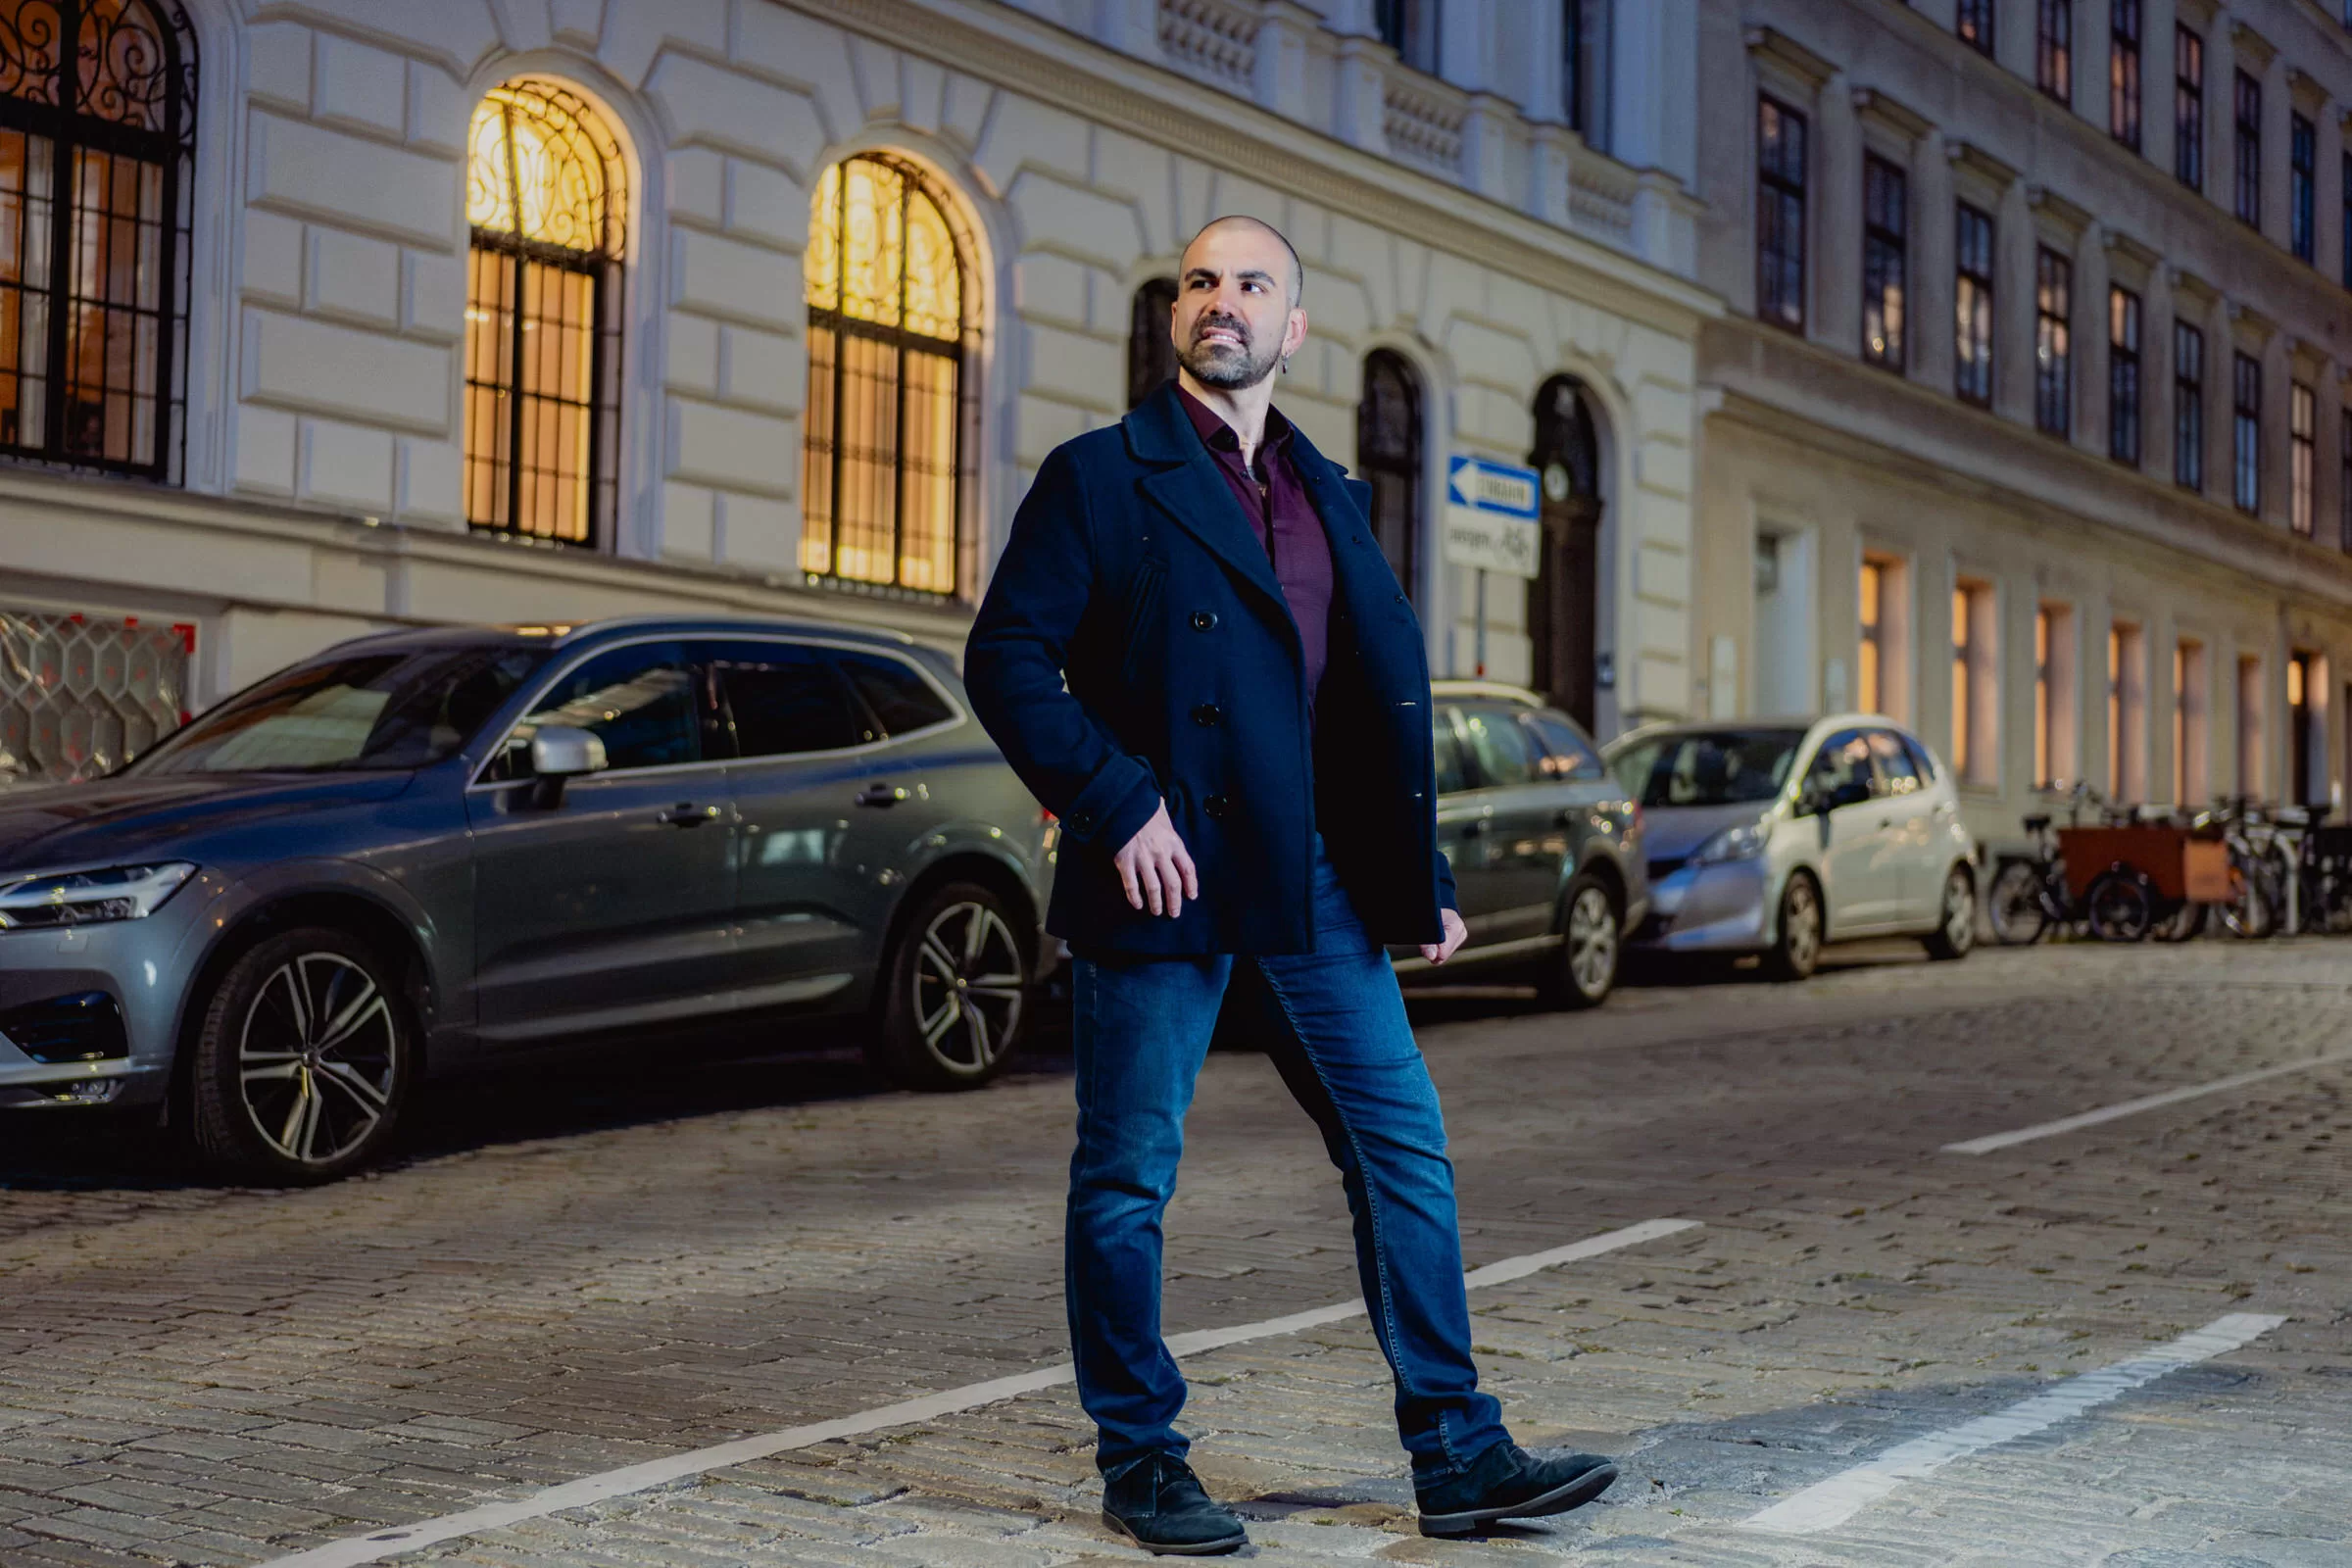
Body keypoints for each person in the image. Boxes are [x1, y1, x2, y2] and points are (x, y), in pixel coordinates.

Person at [964, 215, 1616, 1555]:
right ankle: (1141, 1457)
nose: (1225, 303)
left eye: (1252, 285)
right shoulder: (1102, 476)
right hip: (1165, 874)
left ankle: (1458, 1450)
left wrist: (1412, 867)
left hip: (1317, 880)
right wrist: (1117, 799)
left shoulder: (1331, 493)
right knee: (1129, 1176)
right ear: (1176, 317)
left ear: (1292, 326)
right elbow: (1010, 660)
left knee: (1405, 1151)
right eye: (1203, 282)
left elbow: (1367, 705)